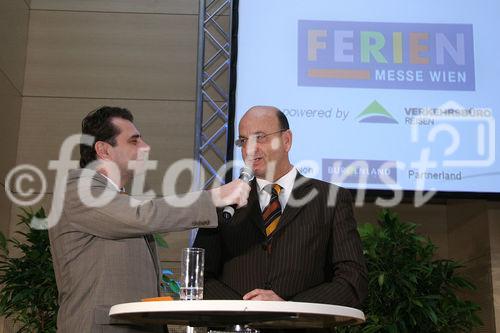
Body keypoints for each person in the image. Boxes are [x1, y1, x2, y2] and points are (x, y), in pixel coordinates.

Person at [49, 106, 250, 333]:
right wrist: (215, 197)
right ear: (104, 150)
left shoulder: (118, 200)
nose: (146, 147)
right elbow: (143, 214)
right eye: (134, 141)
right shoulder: (78, 188)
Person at [194, 105, 368, 308]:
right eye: (243, 141)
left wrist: (288, 307)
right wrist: (246, 309)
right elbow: (199, 278)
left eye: (260, 137)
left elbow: (353, 281)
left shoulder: (331, 199)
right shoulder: (224, 201)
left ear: (287, 141)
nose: (250, 149)